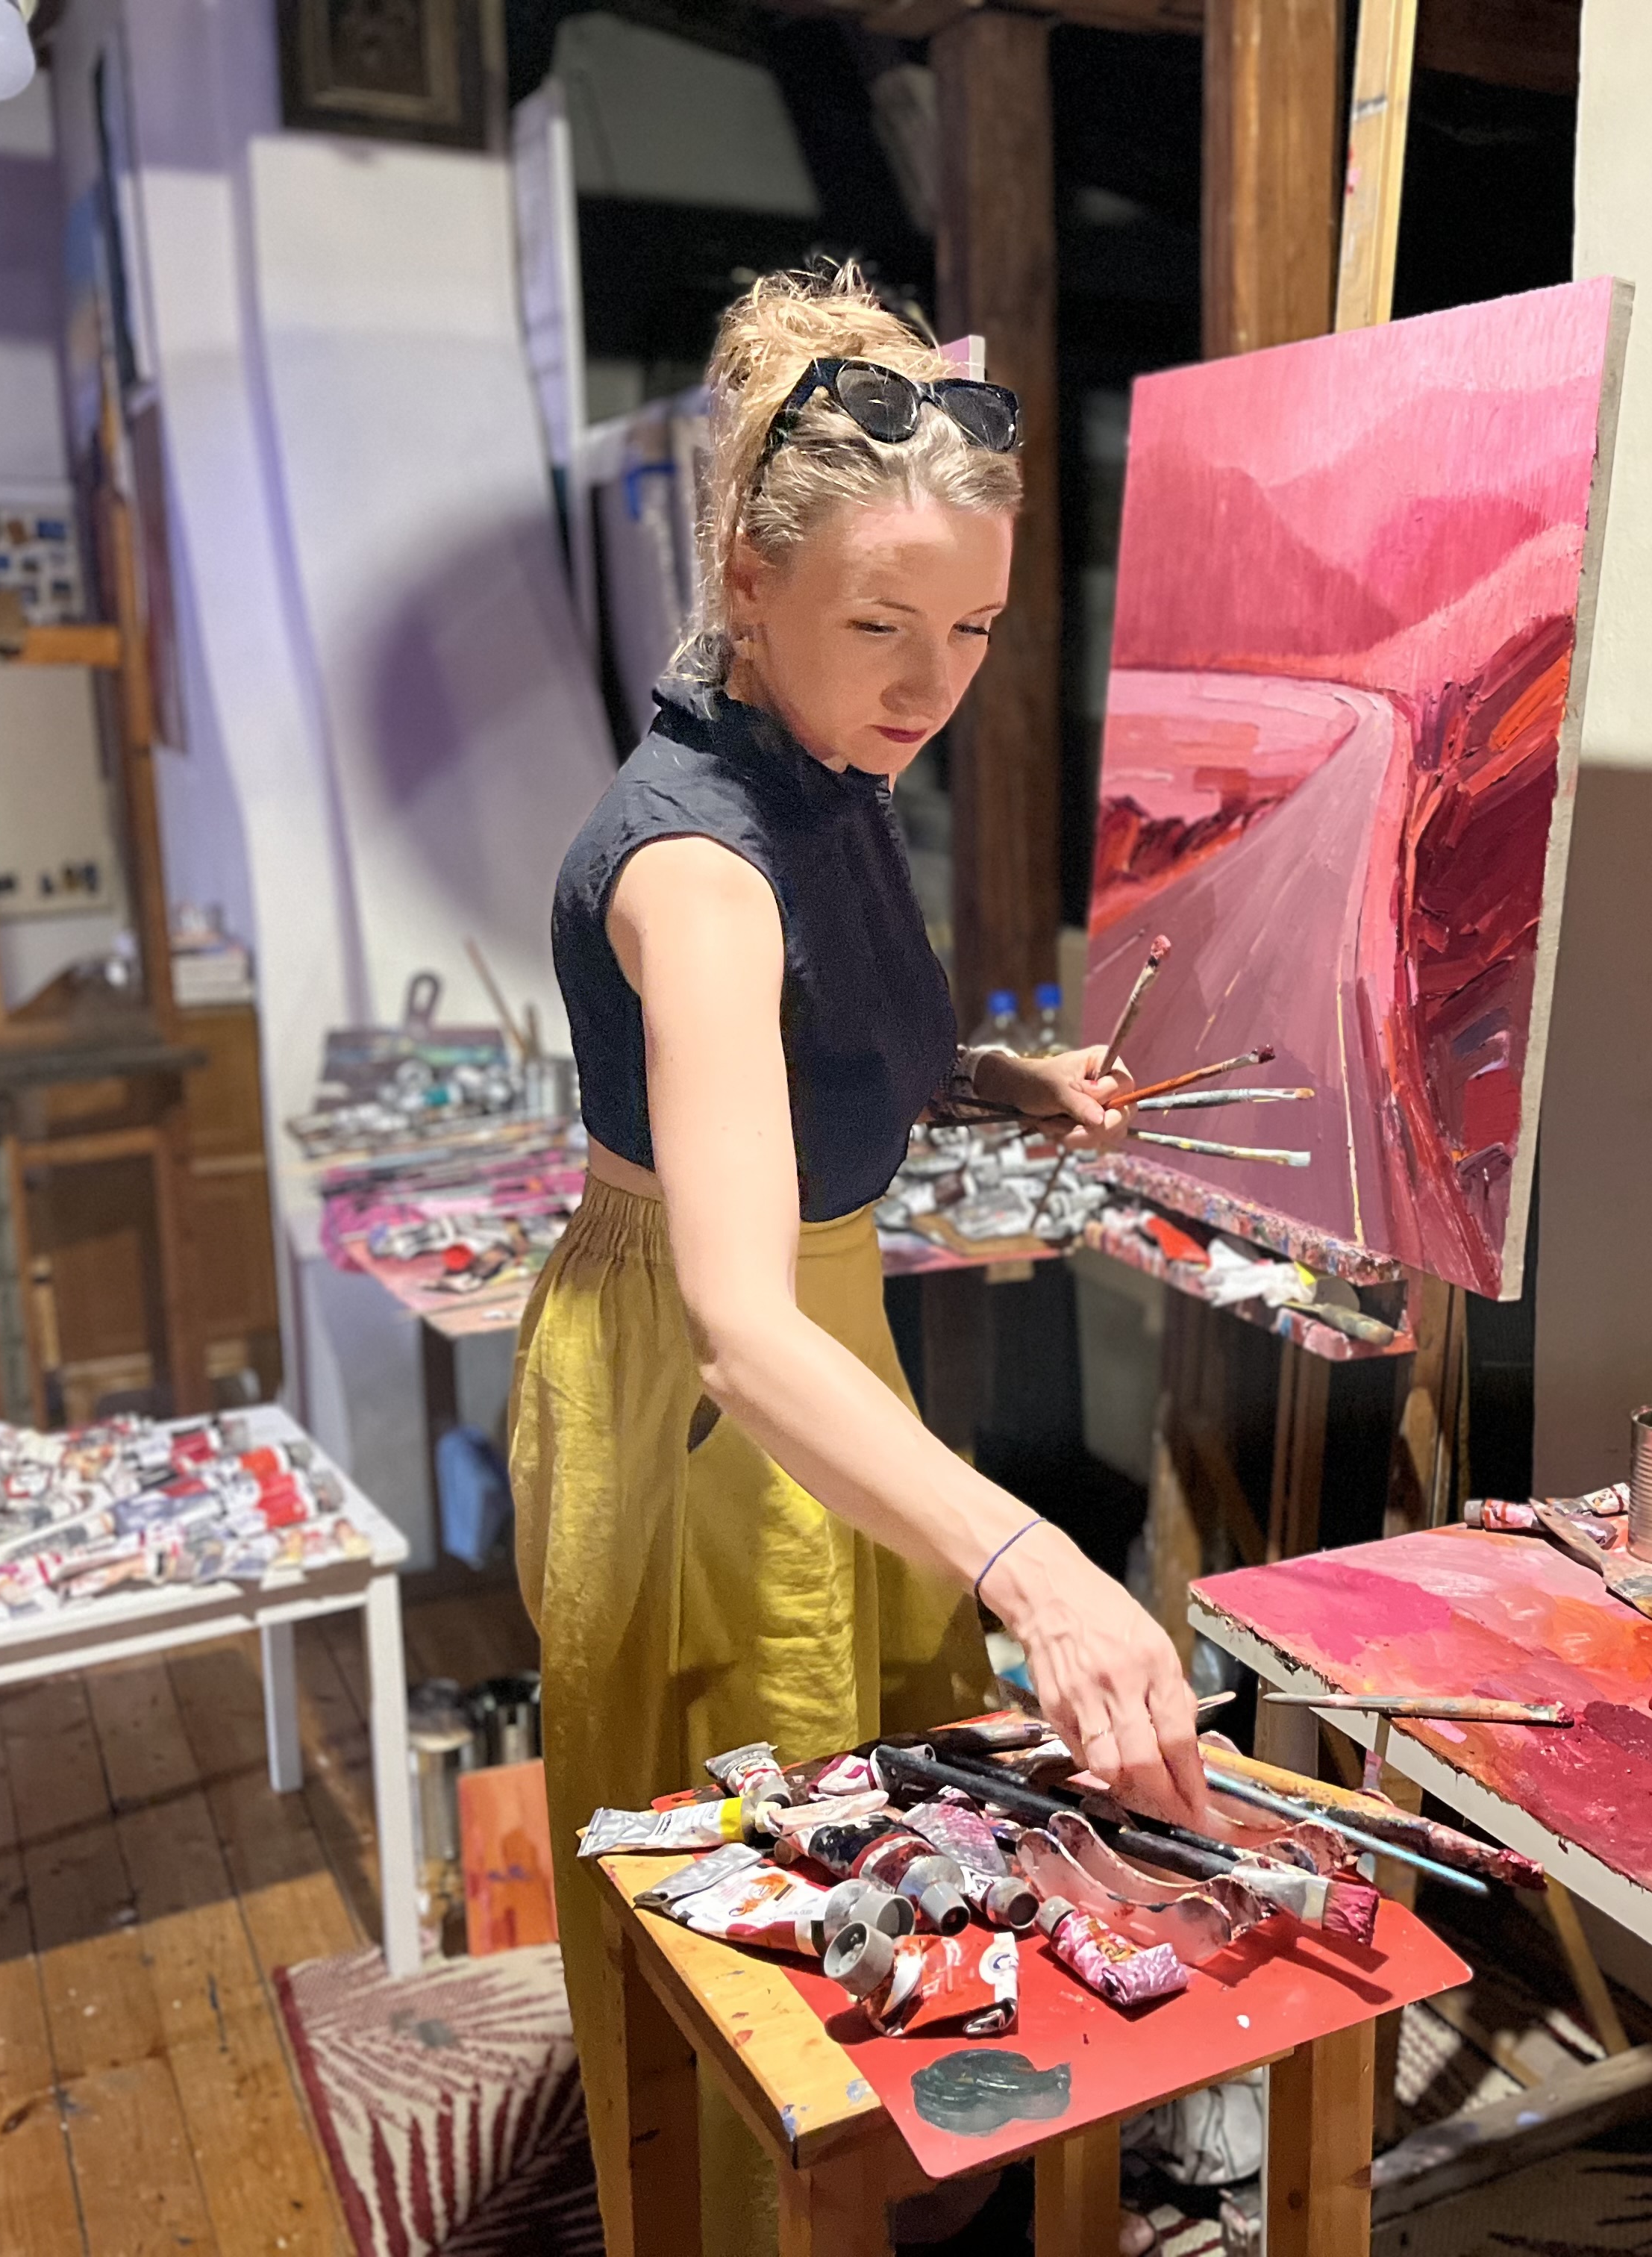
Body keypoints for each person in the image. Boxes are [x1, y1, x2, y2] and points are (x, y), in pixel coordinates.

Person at [509, 266, 1206, 2250]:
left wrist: (991, 1078)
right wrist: (1043, 1568)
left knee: (876, 1802)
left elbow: (823, 1045)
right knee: (756, 1873)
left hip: (823, 1321)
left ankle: (885, 2183)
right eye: (882, 624)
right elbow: (738, 1327)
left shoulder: (827, 765)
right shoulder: (700, 867)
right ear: (750, 579)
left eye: (972, 629)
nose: (931, 680)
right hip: (707, 1378)